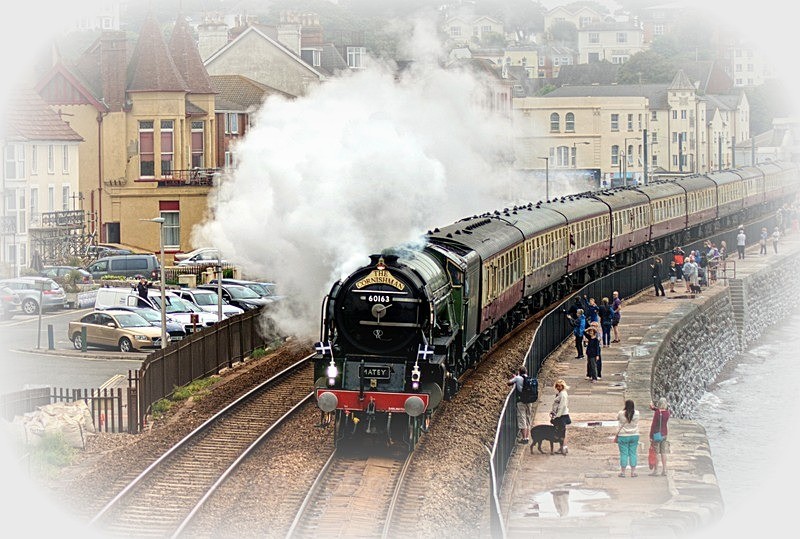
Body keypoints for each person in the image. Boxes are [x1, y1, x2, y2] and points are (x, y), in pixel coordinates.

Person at [507, 367, 532, 444]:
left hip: (521, 401)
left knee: (522, 418)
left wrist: (515, 378)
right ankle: (527, 437)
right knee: (528, 418)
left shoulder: (518, 378)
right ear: (526, 371)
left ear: (519, 372)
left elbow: (508, 383)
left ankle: (524, 438)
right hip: (529, 401)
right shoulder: (529, 378)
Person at [616, 399, 640, 477]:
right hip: (634, 435)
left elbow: (618, 418)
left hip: (623, 436)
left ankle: (623, 472)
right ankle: (633, 472)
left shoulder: (621, 413)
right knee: (633, 453)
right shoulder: (637, 413)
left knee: (624, 454)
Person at [649, 397, 670, 476]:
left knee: (656, 453)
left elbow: (653, 425)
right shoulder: (668, 413)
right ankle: (664, 470)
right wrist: (653, 408)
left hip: (657, 435)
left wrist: (651, 436)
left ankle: (656, 470)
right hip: (664, 434)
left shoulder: (657, 413)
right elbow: (661, 412)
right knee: (663, 452)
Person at [550, 380, 570, 455]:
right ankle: (564, 447)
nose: (558, 387)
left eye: (559, 386)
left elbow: (562, 406)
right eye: (557, 386)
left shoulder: (563, 395)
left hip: (561, 415)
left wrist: (557, 416)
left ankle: (563, 447)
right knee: (562, 431)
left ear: (563, 386)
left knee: (561, 432)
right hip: (560, 414)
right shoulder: (560, 393)